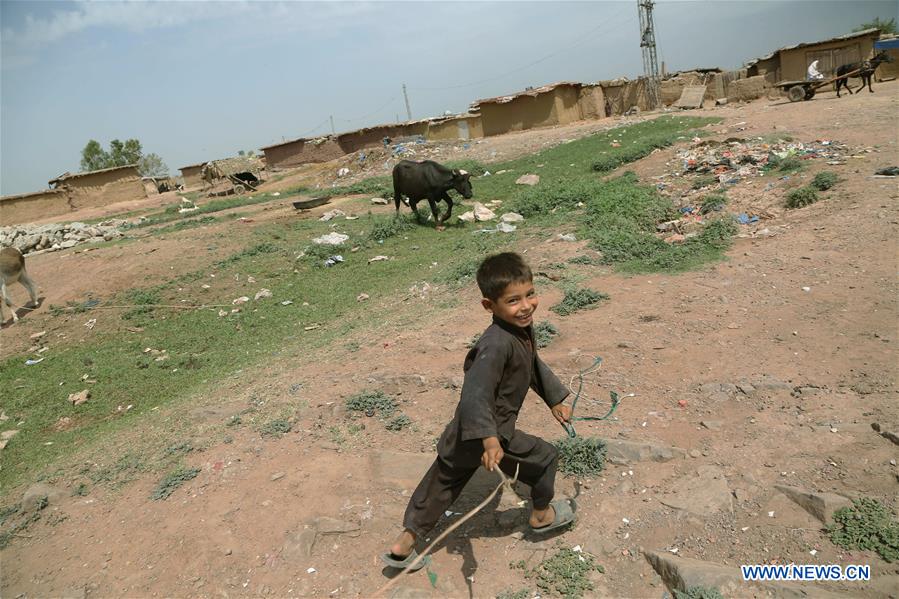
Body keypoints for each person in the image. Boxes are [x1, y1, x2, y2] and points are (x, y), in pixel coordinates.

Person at [382, 252, 575, 570]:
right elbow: (474, 395)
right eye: (513, 300)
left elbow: (531, 367)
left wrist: (554, 399)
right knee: (544, 459)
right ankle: (541, 516)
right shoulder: (496, 344)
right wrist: (489, 440)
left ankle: (404, 544)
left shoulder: (518, 330)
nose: (525, 306)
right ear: (490, 306)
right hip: (492, 432)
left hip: (464, 432)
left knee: (442, 483)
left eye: (530, 294)